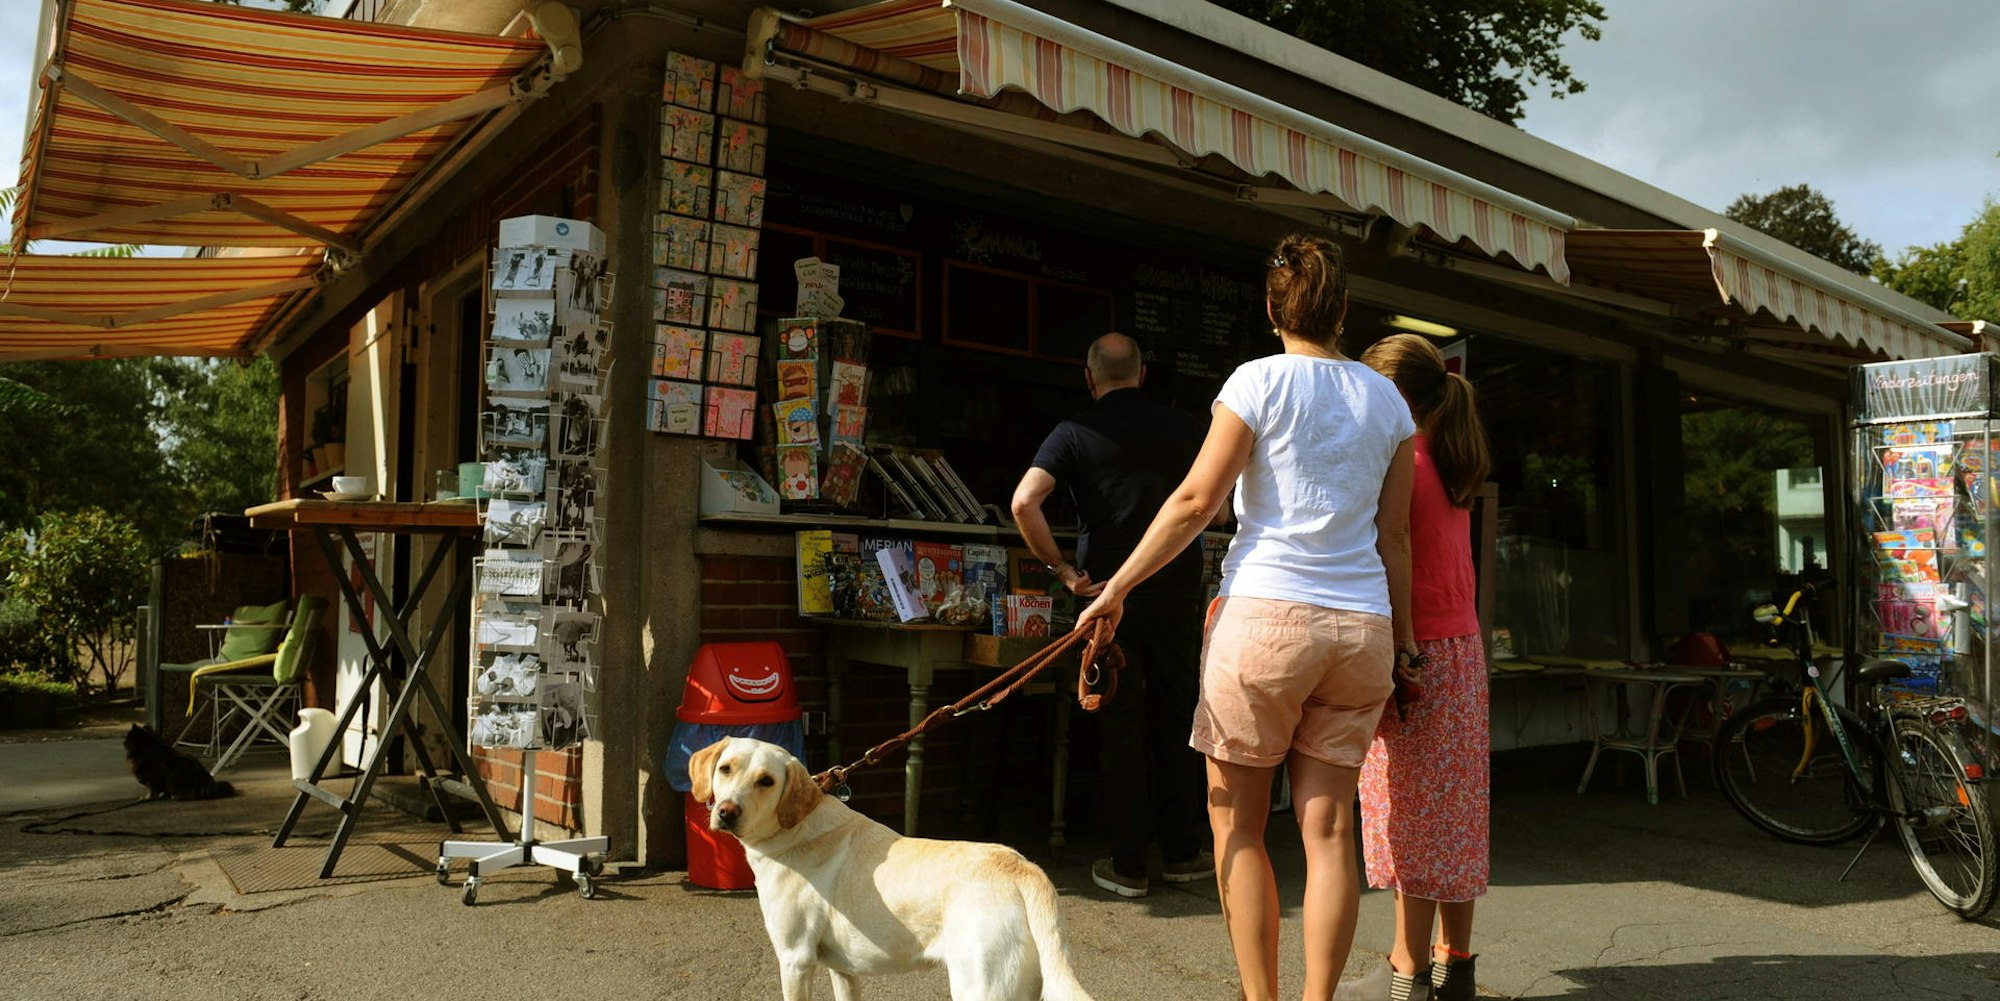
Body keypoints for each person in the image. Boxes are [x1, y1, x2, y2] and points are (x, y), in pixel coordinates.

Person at [1076, 234, 1417, 1001]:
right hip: (1360, 625)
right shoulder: (1388, 399)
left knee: (1238, 826)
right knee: (1329, 833)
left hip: (1265, 618)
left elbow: (1197, 502)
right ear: (1344, 312)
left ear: (1271, 308)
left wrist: (1116, 588)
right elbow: (1395, 535)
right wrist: (1409, 640)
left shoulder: (1255, 381)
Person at [1011, 331, 1216, 899]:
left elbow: (1024, 501)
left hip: (1105, 598)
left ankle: (1128, 864)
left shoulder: (1074, 433)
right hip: (1176, 590)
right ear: (1143, 374)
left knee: (1119, 722)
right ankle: (1182, 853)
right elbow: (1221, 500)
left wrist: (1063, 573)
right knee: (1178, 717)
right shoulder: (1186, 428)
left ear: (1089, 375)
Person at [1338, 334, 1492, 1001]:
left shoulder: (1405, 462)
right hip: (1462, 650)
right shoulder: (1454, 459)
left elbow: (1391, 545)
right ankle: (1455, 964)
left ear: (1397, 397)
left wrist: (1397, 647)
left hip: (1416, 650)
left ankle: (1406, 972)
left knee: (1408, 817)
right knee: (1455, 817)